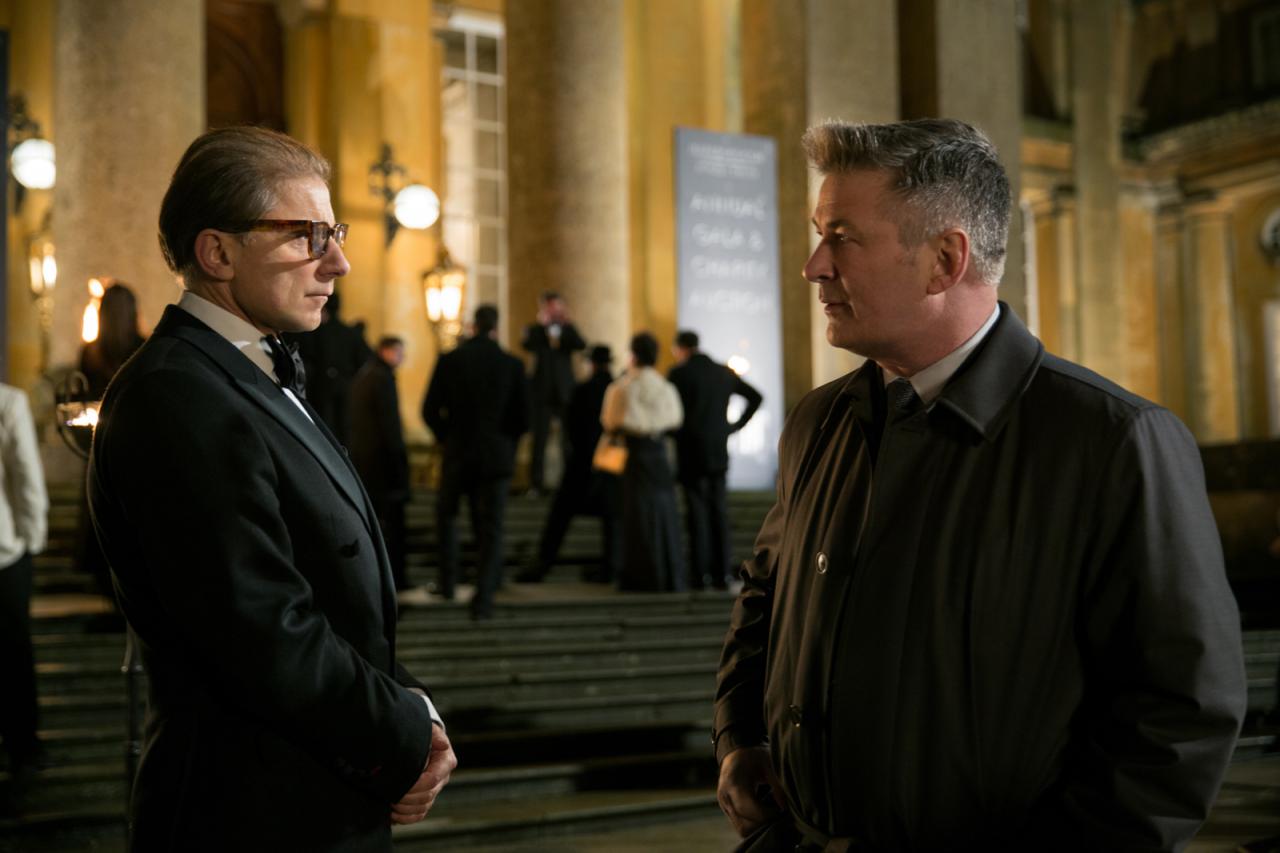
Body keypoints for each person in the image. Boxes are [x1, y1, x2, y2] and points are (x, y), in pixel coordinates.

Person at [713, 118, 1246, 850]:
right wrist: (739, 736)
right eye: (819, 234)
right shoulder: (816, 421)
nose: (814, 267)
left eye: (842, 237)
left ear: (944, 259)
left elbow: (1180, 714)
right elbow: (765, 597)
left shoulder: (1114, 441)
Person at [88, 126, 454, 851]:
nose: (339, 262)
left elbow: (329, 597)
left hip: (312, 789)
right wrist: (406, 732)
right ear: (217, 253)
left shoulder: (245, 371)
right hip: (248, 811)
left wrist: (416, 705)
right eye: (307, 236)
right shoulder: (176, 393)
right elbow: (261, 628)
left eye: (335, 234)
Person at [423, 304, 529, 620]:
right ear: (496, 327)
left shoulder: (451, 360)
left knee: (447, 516)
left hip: (458, 452)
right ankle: (484, 596)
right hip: (496, 457)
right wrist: (506, 445)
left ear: (473, 327)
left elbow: (429, 409)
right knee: (491, 527)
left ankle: (448, 583)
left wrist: (447, 437)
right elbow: (523, 418)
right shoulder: (512, 364)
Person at [517, 344, 622, 584]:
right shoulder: (616, 389)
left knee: (560, 516)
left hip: (582, 463)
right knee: (613, 519)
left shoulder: (583, 390)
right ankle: (612, 567)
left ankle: (543, 563)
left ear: (591, 364)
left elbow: (572, 428)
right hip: (612, 463)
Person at [668, 330, 762, 590]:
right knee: (718, 511)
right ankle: (722, 573)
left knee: (696, 512)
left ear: (680, 348)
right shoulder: (723, 372)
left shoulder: (679, 374)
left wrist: (674, 433)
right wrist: (734, 426)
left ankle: (700, 575)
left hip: (690, 451)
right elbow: (756, 397)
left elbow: (670, 413)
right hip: (718, 450)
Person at [76, 282, 146, 619]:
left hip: (97, 446)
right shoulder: (143, 348)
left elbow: (80, 401)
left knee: (101, 521)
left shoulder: (90, 353)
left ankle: (108, 600)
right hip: (134, 450)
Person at [601, 332, 685, 592]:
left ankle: (640, 576)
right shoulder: (666, 387)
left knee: (636, 515)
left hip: (634, 454)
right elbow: (676, 418)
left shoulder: (622, 387)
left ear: (633, 355)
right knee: (664, 513)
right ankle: (668, 574)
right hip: (658, 454)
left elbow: (610, 421)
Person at [0, 383, 48, 816]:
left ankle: (23, 748)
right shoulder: (7, 402)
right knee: (14, 653)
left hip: (6, 551)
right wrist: (32, 539)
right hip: (6, 551)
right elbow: (26, 473)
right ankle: (24, 749)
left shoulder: (9, 402)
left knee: (14, 653)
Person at [350, 336, 412, 592]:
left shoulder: (364, 376)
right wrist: (401, 465)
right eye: (399, 352)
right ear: (386, 351)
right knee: (393, 527)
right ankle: (396, 578)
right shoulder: (382, 379)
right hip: (383, 467)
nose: (402, 358)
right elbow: (390, 426)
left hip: (365, 463)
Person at [521, 290, 585, 494]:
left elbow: (580, 344)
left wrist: (566, 327)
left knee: (568, 441)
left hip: (565, 392)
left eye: (556, 306)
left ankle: (570, 484)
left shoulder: (568, 328)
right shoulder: (535, 330)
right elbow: (526, 345)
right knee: (538, 440)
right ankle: (536, 483)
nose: (553, 310)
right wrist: (542, 327)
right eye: (549, 306)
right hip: (541, 392)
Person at [293, 290, 372, 445]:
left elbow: (307, 356)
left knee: (325, 428)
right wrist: (349, 375)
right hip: (345, 386)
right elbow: (365, 357)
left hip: (322, 388)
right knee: (344, 427)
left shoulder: (317, 332)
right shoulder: (349, 332)